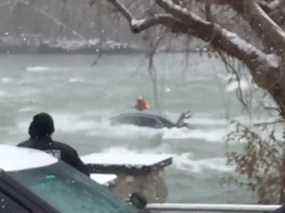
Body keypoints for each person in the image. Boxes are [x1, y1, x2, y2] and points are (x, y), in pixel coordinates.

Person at [18, 112, 90, 176]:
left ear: (31, 130)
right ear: (52, 130)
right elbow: (84, 175)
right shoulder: (66, 151)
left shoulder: (20, 151)